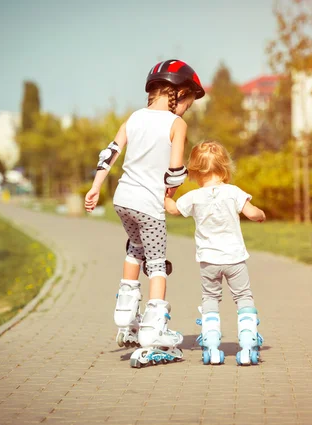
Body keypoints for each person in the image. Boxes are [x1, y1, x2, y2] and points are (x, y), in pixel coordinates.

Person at [84, 59, 205, 368]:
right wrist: (169, 196)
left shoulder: (134, 118)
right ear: (177, 94)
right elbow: (176, 171)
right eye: (188, 102)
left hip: (122, 199)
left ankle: (126, 313)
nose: (186, 109)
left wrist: (96, 187)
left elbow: (109, 153)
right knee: (157, 263)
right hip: (149, 205)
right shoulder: (176, 124)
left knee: (135, 248)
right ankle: (154, 328)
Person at [164, 140, 266, 366]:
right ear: (225, 167)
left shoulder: (194, 197)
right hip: (235, 259)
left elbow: (172, 209)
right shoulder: (233, 192)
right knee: (243, 297)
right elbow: (251, 213)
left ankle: (211, 345)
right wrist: (260, 214)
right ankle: (248, 343)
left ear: (194, 172)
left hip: (208, 261)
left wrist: (164, 195)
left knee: (210, 298)